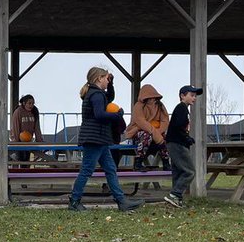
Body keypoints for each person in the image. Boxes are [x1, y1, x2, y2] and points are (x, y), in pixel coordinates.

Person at [68, 67, 144, 213]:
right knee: (87, 170)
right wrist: (117, 115)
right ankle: (74, 201)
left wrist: (112, 83)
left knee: (110, 169)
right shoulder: (96, 94)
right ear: (99, 79)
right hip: (94, 138)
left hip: (99, 139)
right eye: (106, 79)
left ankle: (121, 201)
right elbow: (100, 114)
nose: (107, 81)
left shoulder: (96, 94)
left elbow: (110, 97)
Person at [163, 85, 202, 209]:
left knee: (178, 171)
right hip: (177, 143)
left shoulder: (183, 109)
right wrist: (186, 138)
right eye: (191, 95)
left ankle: (176, 200)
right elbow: (178, 127)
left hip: (174, 142)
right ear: (182, 96)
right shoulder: (181, 108)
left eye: (195, 96)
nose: (194, 98)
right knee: (189, 171)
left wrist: (186, 137)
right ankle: (175, 194)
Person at [124, 83, 170, 169]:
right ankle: (138, 162)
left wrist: (159, 132)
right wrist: (156, 135)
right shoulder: (138, 106)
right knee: (146, 135)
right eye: (149, 98)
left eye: (153, 97)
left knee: (166, 137)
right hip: (139, 131)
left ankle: (166, 162)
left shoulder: (160, 106)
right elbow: (141, 122)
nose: (152, 100)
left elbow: (165, 120)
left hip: (157, 131)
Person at [10, 94, 41, 166]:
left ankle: (26, 171)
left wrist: (39, 140)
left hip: (28, 140)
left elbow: (37, 127)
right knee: (21, 158)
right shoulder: (18, 112)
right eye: (29, 103)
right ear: (24, 103)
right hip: (19, 139)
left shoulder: (35, 111)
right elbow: (15, 127)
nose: (31, 105)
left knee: (27, 159)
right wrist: (16, 142)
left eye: (33, 103)